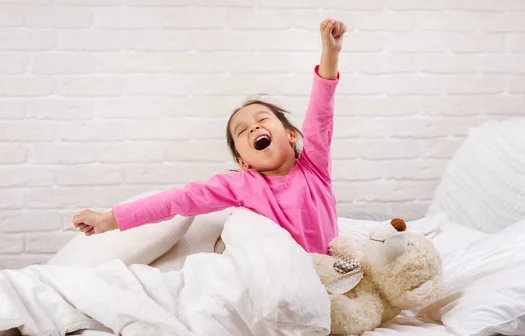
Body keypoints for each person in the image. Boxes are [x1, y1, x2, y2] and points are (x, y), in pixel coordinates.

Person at [73, 18, 347, 255]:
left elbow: (321, 112)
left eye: (262, 119)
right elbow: (176, 200)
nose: (253, 127)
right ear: (243, 162)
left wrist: (330, 54)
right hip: (289, 275)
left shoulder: (314, 167)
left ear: (290, 135)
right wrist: (110, 219)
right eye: (242, 131)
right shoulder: (241, 185)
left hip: (334, 269)